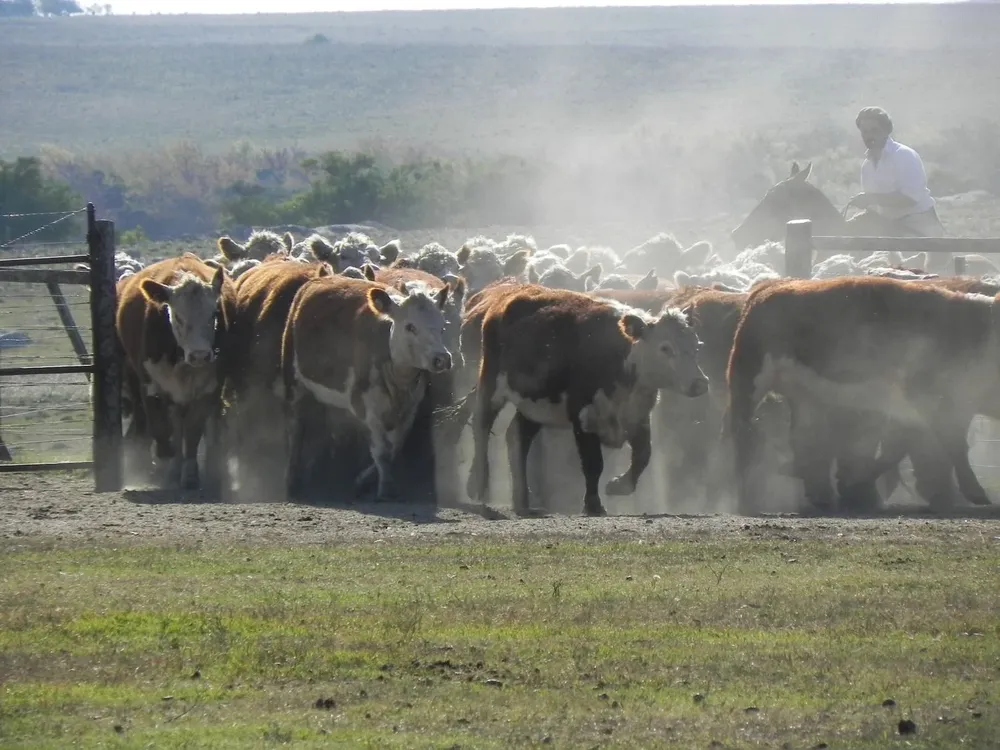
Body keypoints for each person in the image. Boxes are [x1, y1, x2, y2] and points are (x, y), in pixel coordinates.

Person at [845, 106, 945, 237]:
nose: (869, 136)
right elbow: (874, 209)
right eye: (865, 132)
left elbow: (910, 199)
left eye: (874, 130)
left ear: (886, 131)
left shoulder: (904, 155)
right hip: (888, 228)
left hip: (919, 226)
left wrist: (870, 198)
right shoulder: (867, 166)